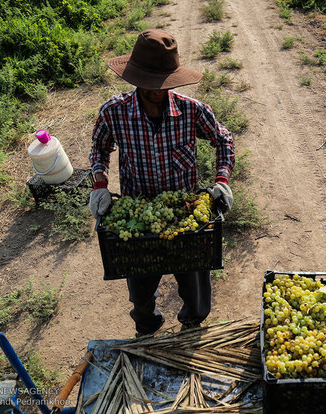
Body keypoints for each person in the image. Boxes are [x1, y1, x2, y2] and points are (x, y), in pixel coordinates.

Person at [88, 29, 235, 335]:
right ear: (135, 78)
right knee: (140, 290)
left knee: (195, 287)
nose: (157, 90)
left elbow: (223, 140)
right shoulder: (114, 113)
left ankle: (192, 323)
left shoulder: (191, 111)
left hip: (183, 214)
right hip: (139, 215)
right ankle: (147, 325)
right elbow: (99, 149)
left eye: (163, 84)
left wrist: (221, 179)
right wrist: (99, 185)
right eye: (150, 84)